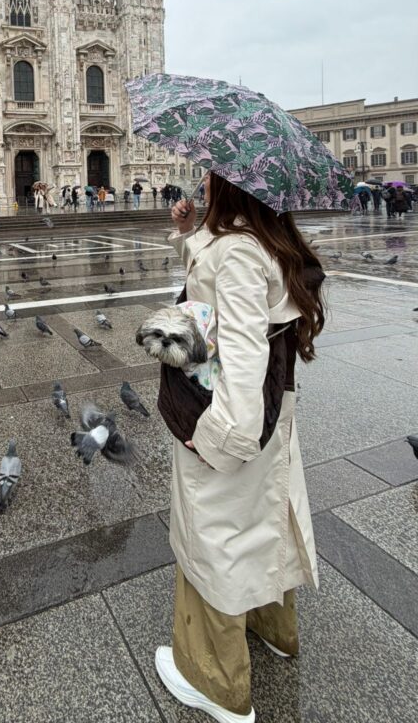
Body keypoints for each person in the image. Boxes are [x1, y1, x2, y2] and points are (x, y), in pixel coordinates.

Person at [154, 172, 323, 722]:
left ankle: (215, 681)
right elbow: (223, 283)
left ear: (231, 187)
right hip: (268, 422)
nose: (201, 183)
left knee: (217, 537)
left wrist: (218, 441)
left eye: (210, 178)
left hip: (229, 419)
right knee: (262, 524)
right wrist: (188, 234)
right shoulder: (263, 238)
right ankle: (274, 628)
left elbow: (245, 351)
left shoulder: (240, 253)